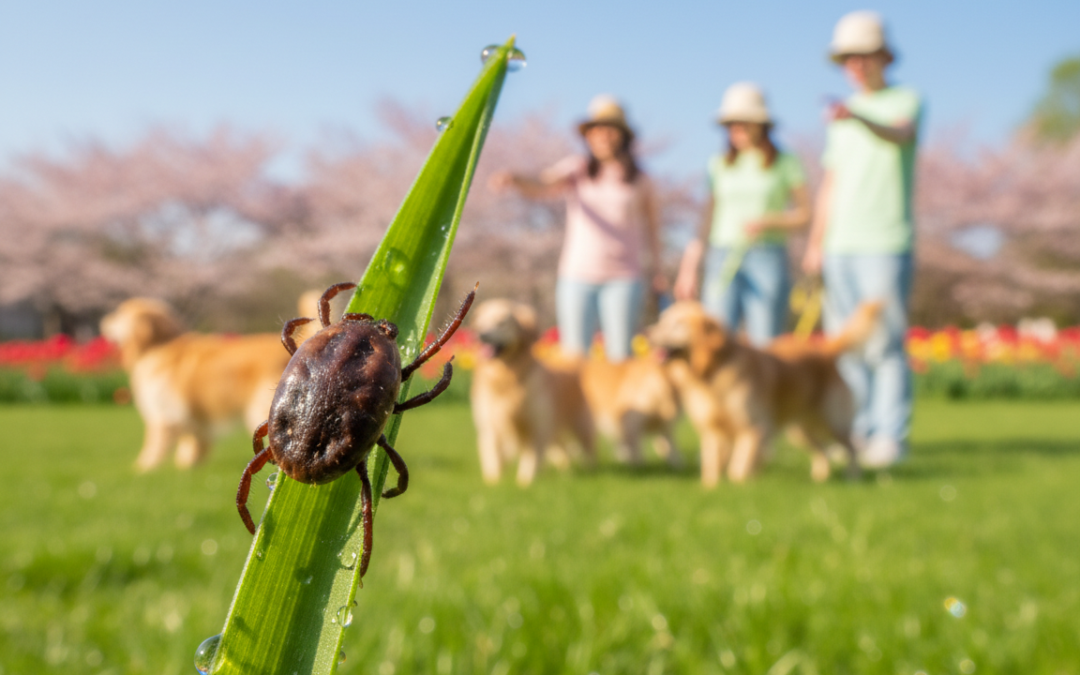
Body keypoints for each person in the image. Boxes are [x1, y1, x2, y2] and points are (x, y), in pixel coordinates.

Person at [802, 11, 923, 468]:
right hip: (839, 245)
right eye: (848, 58)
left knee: (886, 344)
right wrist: (816, 243)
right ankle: (852, 431)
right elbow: (830, 182)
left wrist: (859, 115)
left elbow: (898, 134)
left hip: (886, 240)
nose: (856, 65)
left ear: (883, 58)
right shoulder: (840, 119)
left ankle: (888, 437)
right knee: (845, 345)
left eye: (864, 56)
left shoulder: (904, 100)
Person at [489, 95, 665, 361]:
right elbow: (542, 183)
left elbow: (652, 230)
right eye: (595, 131)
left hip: (624, 277)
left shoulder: (641, 181)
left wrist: (658, 271)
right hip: (577, 275)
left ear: (622, 136)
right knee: (574, 356)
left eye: (608, 130)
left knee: (620, 355)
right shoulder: (578, 170)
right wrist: (515, 179)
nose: (601, 136)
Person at [674, 82, 810, 346]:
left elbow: (805, 215)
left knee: (765, 340)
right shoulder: (719, 164)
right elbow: (706, 219)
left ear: (762, 124)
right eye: (731, 124)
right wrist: (689, 267)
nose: (737, 130)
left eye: (744, 123)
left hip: (767, 254)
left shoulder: (786, 162)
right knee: (715, 340)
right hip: (722, 256)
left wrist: (770, 221)